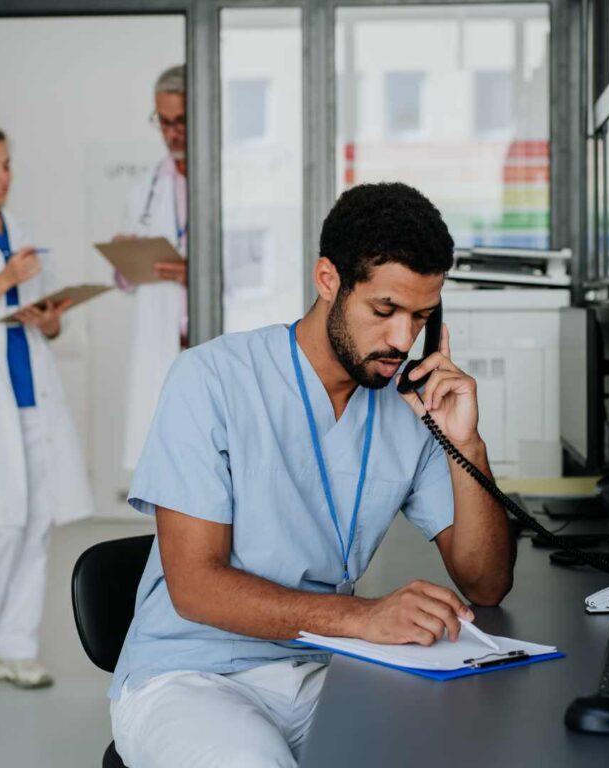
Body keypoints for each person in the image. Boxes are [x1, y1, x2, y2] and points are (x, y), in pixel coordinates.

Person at [109, 182, 516, 767]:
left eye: (421, 317)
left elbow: (486, 583)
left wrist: (467, 443)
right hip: (193, 675)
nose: (403, 340)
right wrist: (365, 617)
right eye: (385, 310)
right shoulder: (211, 379)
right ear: (328, 280)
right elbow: (194, 586)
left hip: (323, 668)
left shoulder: (411, 407)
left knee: (459, 748)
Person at [0, 124, 94, 688]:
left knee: (38, 522)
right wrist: (0, 281)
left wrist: (50, 317)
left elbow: (51, 316)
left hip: (33, 395)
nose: (2, 178)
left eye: (6, 166)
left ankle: (18, 646)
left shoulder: (22, 233)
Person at [115, 64, 188, 470]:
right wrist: (127, 258)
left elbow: (260, 266)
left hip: (208, 332)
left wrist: (198, 272)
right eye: (163, 123)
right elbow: (125, 281)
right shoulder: (145, 186)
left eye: (180, 121)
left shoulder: (228, 180)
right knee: (168, 459)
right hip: (163, 339)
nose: (172, 133)